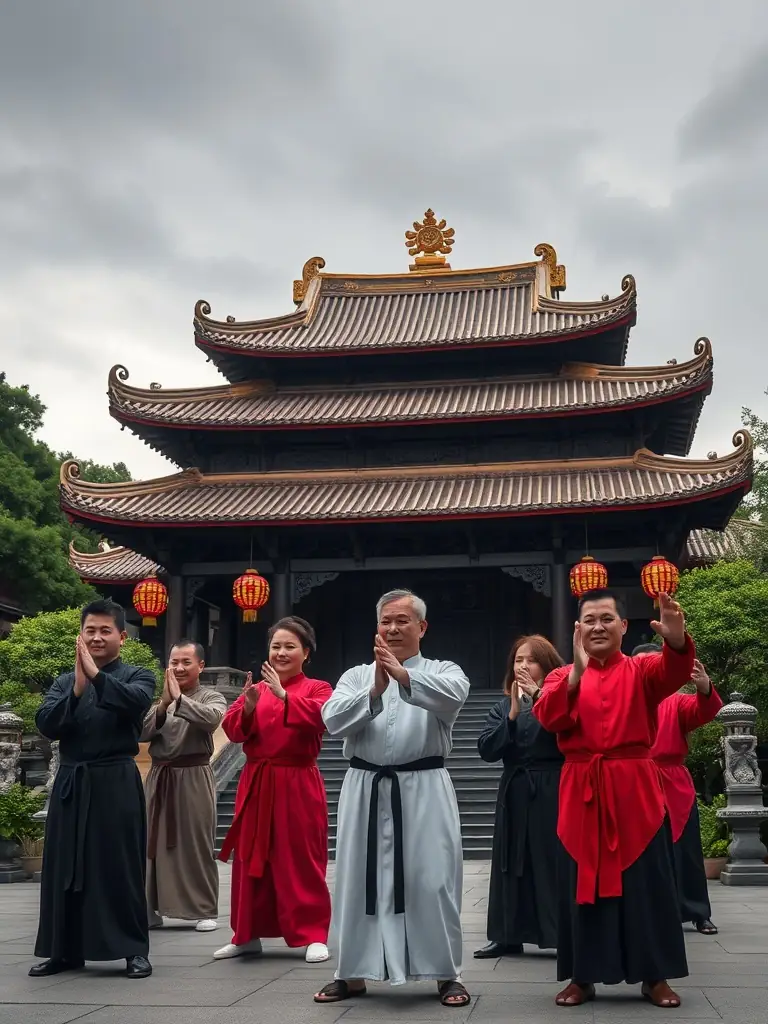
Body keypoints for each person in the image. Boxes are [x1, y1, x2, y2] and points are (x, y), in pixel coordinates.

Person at [533, 588, 695, 1010]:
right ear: (577, 629)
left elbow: (674, 672)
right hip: (583, 791)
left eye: (607, 618)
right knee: (581, 885)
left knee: (647, 884)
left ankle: (654, 976)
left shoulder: (642, 669)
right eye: (589, 620)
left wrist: (676, 641)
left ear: (624, 626)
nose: (598, 626)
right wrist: (576, 676)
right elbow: (549, 717)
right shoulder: (559, 676)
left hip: (635, 790)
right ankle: (581, 976)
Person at [314, 588, 471, 1009]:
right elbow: (332, 720)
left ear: (422, 627)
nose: (393, 628)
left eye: (403, 621)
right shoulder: (355, 676)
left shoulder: (444, 670)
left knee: (433, 879)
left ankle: (445, 972)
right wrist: (375, 691)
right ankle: (351, 973)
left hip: (424, 786)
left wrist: (401, 677)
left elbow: (454, 696)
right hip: (365, 787)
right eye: (386, 621)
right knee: (357, 880)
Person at [30, 599, 156, 979]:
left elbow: (136, 704)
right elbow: (46, 724)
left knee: (119, 865)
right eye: (90, 631)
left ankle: (133, 949)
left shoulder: (139, 675)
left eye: (105, 631)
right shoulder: (65, 681)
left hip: (114, 779)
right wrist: (78, 689)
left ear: (122, 636)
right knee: (63, 866)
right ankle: (63, 950)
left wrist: (97, 678)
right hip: (72, 781)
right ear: (81, 636)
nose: (97, 637)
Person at [215, 616, 332, 964]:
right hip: (257, 781)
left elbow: (323, 717)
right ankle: (246, 934)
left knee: (301, 857)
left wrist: (284, 697)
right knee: (252, 857)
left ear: (305, 653)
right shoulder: (256, 689)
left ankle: (313, 933)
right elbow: (233, 730)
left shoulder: (318, 688)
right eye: (276, 646)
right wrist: (249, 707)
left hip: (298, 780)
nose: (281, 652)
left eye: (289, 646)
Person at [475, 635, 564, 960]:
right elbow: (487, 749)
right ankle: (506, 935)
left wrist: (539, 697)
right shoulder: (502, 707)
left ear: (547, 665)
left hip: (552, 787)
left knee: (548, 858)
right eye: (518, 660)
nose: (523, 666)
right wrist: (513, 714)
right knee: (509, 861)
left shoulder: (560, 698)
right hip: (514, 789)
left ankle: (557, 932)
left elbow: (567, 731)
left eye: (531, 660)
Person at [634, 645, 723, 936]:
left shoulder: (677, 701)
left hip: (672, 781)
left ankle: (697, 913)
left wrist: (704, 687)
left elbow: (705, 711)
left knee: (685, 851)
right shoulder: (624, 702)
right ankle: (644, 912)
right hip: (634, 780)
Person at [143, 640, 227, 933]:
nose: (178, 668)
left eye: (186, 662)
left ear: (200, 666)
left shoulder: (211, 696)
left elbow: (212, 719)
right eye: (174, 662)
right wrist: (165, 703)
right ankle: (151, 908)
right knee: (151, 843)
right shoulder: (160, 700)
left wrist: (179, 700)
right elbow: (142, 732)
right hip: (159, 776)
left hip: (193, 775)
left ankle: (203, 908)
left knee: (196, 841)